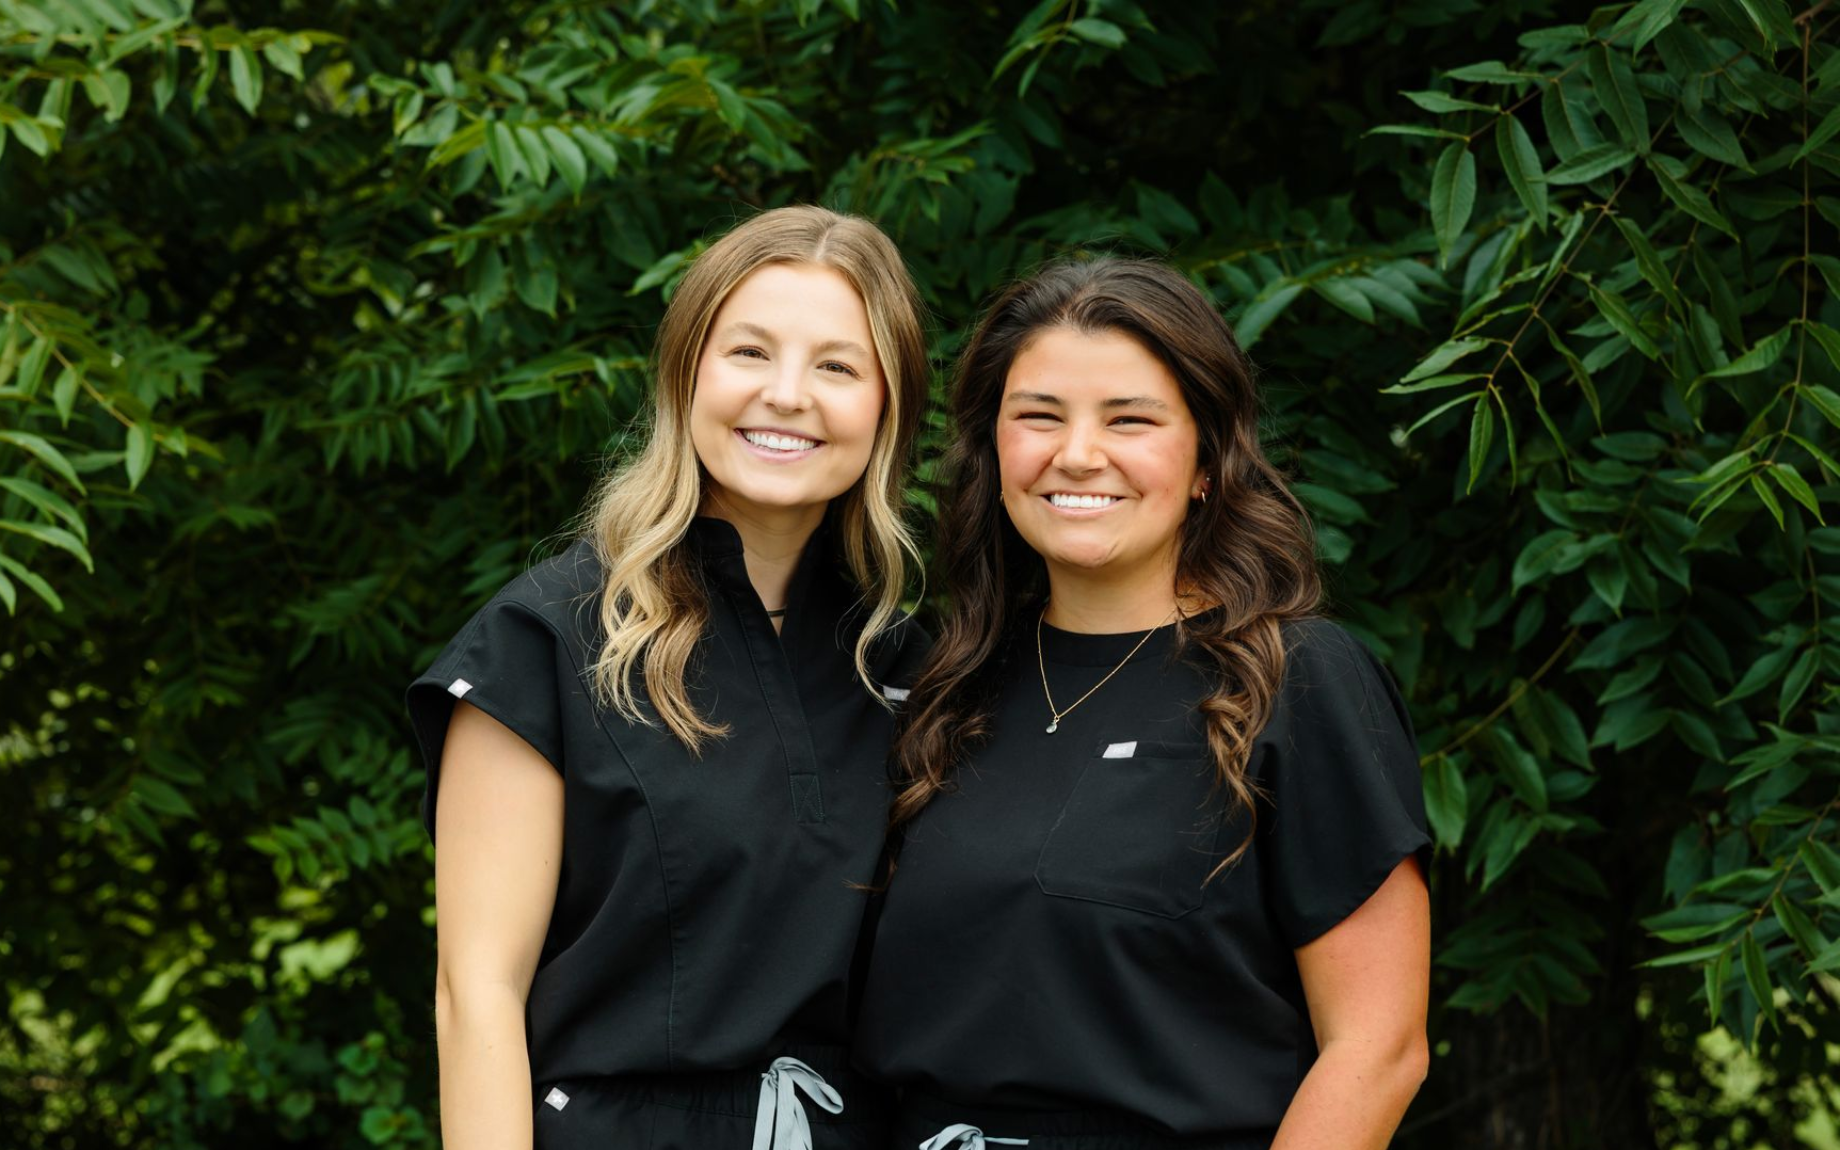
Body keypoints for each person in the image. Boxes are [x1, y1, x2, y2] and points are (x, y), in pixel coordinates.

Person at [855, 257, 1431, 1150]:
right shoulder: (944, 689)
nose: (1077, 454)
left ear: (1207, 457)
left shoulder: (1295, 682)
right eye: (1038, 416)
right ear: (992, 450)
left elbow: (1379, 1048)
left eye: (1130, 420)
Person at [405, 205, 931, 1150]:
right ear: (686, 375)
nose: (788, 394)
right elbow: (475, 996)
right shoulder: (547, 642)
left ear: (889, 409)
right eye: (749, 353)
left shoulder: (911, 667)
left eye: (838, 366)